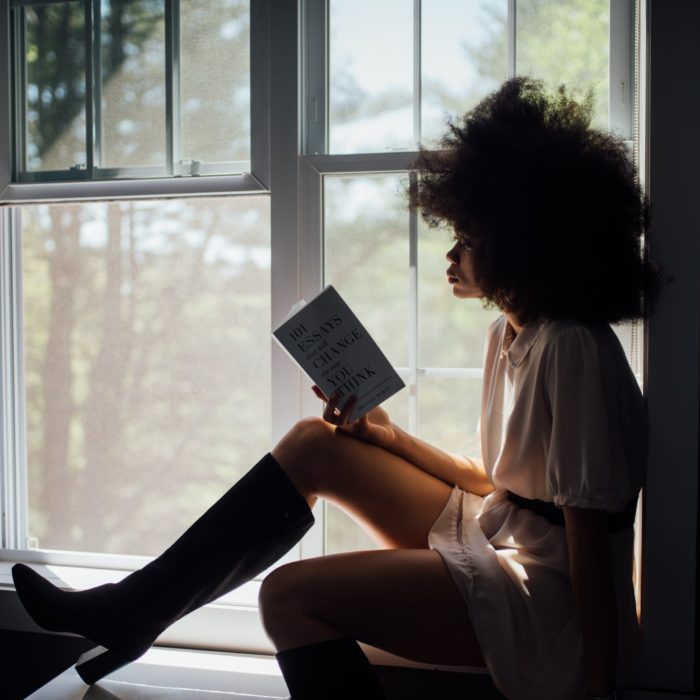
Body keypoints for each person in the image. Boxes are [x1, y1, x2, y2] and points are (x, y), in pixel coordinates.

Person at [12, 77, 662, 700]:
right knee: (315, 445)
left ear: (522, 244)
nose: (451, 254)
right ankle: (133, 611)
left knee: (286, 597)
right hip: (500, 535)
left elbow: (585, 530)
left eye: (468, 238)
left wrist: (600, 687)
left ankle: (130, 614)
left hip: (549, 603)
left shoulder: (573, 347)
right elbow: (494, 481)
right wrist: (384, 435)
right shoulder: (510, 334)